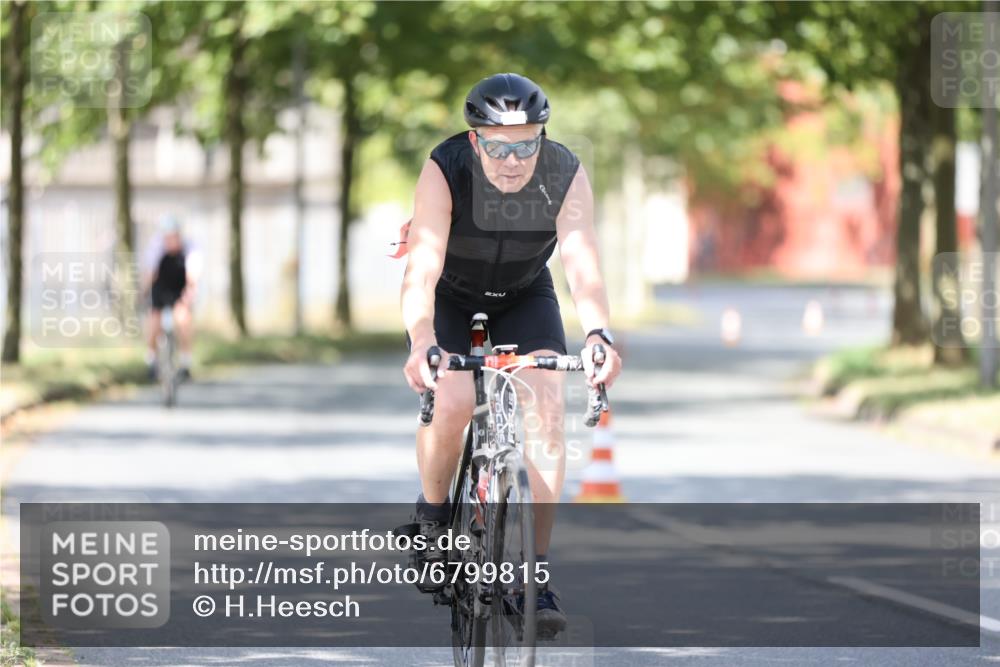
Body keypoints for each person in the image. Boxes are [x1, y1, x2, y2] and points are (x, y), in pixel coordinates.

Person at [400, 73, 623, 635]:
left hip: (525, 293)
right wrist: (422, 339)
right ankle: (431, 518)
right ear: (475, 141)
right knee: (449, 400)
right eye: (498, 147)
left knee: (547, 410)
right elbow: (423, 264)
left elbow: (581, 261)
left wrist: (599, 334)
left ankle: (533, 578)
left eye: (526, 144)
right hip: (450, 296)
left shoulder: (563, 172)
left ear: (542, 138)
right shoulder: (445, 166)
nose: (513, 159)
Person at [142, 214, 200, 381]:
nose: (170, 241)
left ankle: (185, 363)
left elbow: (192, 275)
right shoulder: (156, 248)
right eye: (167, 237)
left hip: (179, 288)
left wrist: (190, 293)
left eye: (174, 237)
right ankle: (151, 360)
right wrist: (143, 294)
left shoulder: (190, 248)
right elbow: (150, 275)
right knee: (154, 324)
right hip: (160, 287)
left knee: (183, 321)